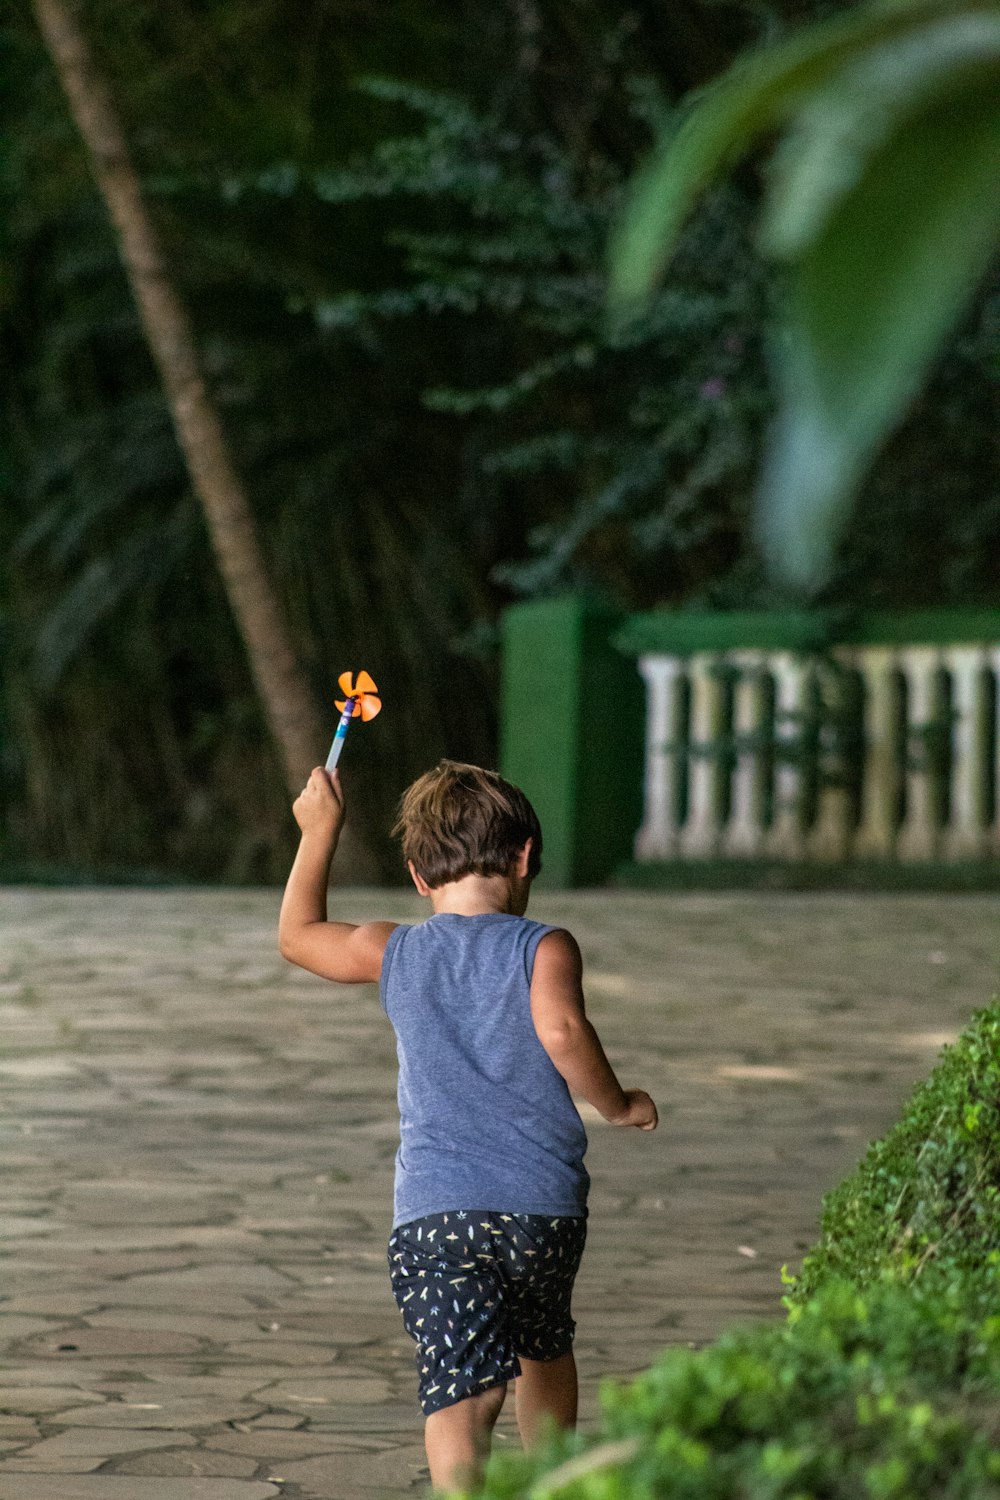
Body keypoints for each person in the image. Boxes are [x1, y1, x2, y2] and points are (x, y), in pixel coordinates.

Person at [279, 759, 658, 1493]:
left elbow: (299, 936)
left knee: (463, 1388)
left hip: (434, 1214)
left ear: (419, 878)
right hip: (540, 1211)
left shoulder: (395, 949)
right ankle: (551, 1481)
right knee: (545, 1347)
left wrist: (319, 831)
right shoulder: (544, 946)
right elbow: (562, 1030)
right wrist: (618, 1104)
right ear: (524, 858)